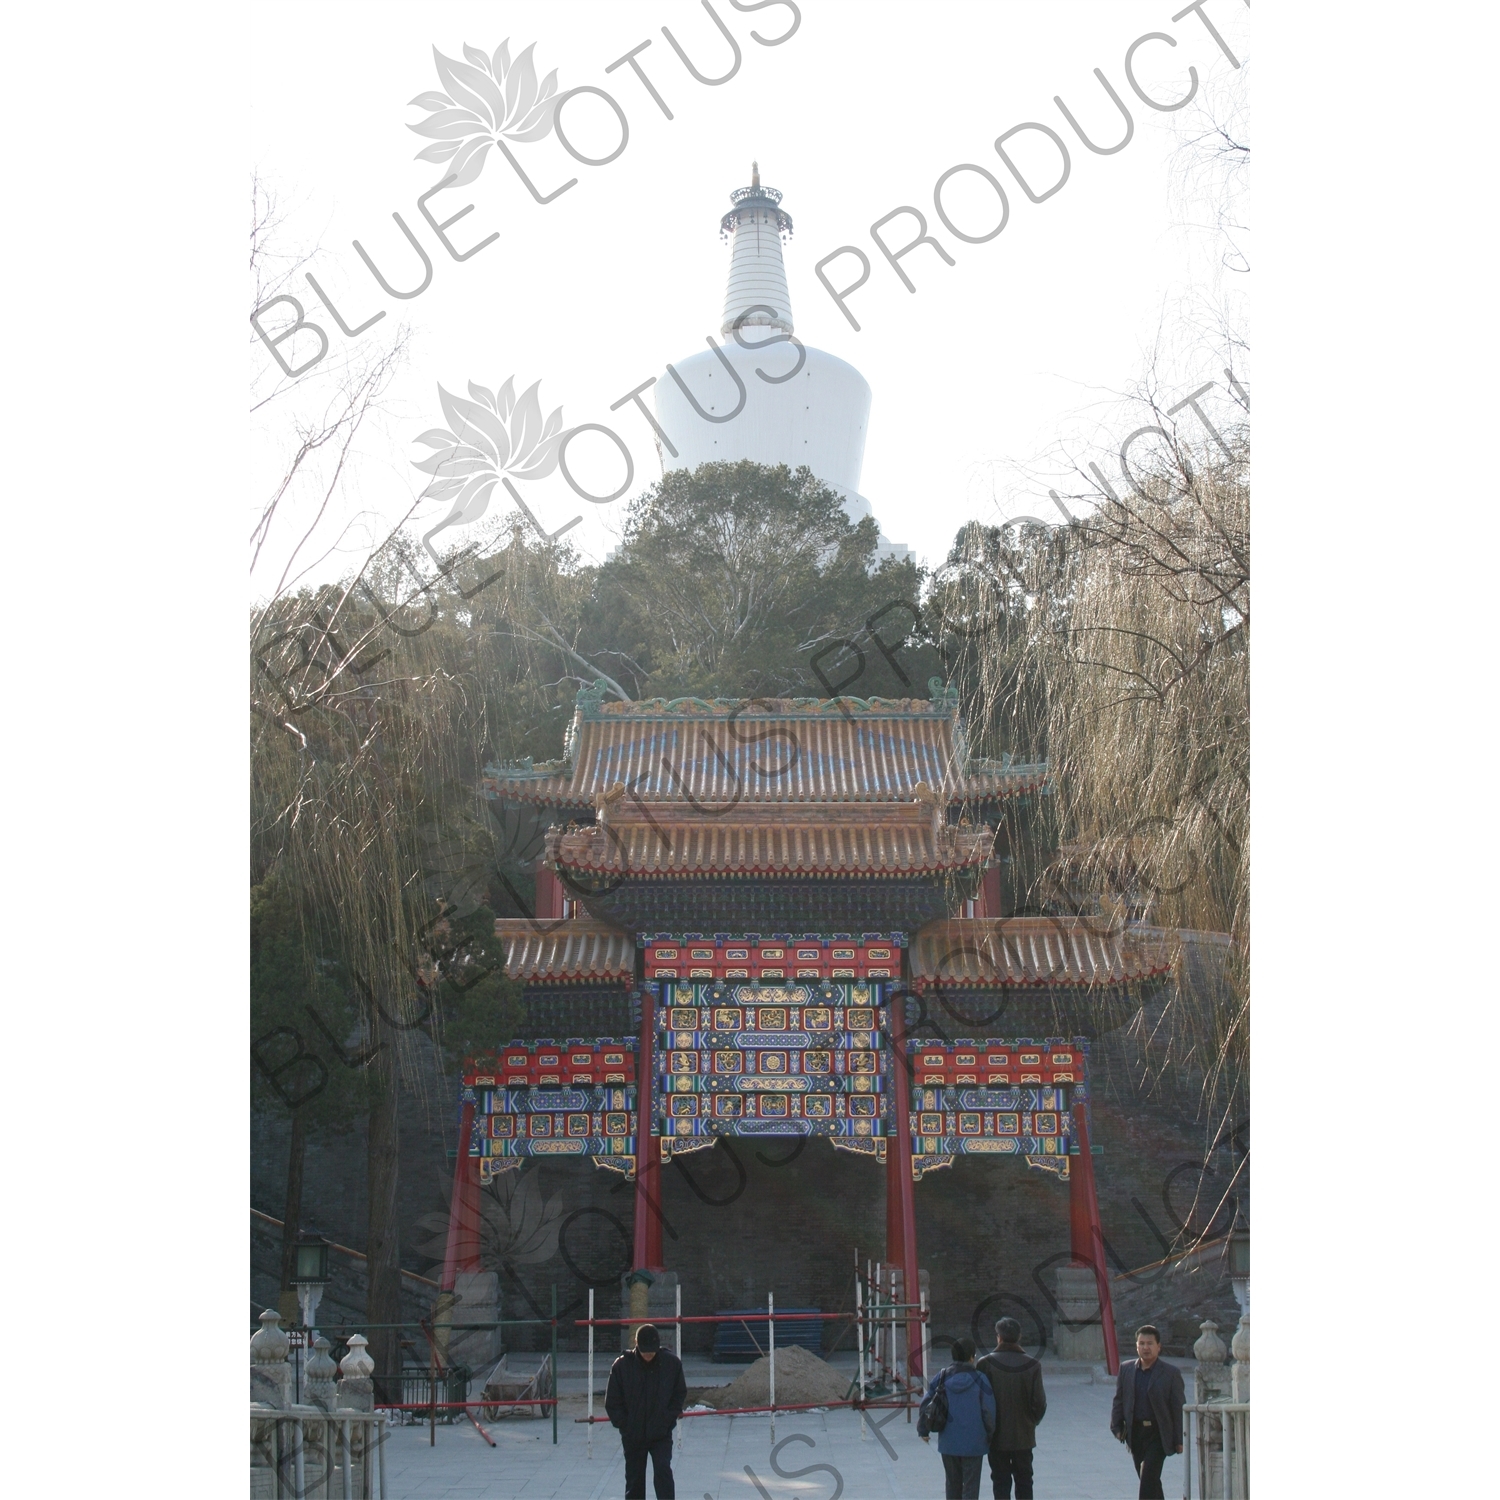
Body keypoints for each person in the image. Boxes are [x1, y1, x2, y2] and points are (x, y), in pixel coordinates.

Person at [604, 1323, 687, 1500]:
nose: (648, 1356)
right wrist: (625, 1425)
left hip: (660, 1434)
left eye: (652, 1351)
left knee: (663, 1471)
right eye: (645, 1352)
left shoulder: (671, 1364)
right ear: (636, 1345)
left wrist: (667, 1420)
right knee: (634, 1480)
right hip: (633, 1435)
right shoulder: (622, 1366)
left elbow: (679, 1394)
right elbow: (612, 1402)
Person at [1110, 1324, 1186, 1500]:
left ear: (1158, 1346)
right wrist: (1116, 1426)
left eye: (1150, 1343)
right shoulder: (1127, 1369)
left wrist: (1179, 1439)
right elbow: (1119, 1400)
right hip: (1136, 1434)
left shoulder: (1170, 1373)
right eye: (1142, 1343)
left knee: (1148, 1479)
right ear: (1136, 1346)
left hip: (1158, 1434)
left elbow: (1178, 1407)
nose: (1145, 1347)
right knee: (1151, 1482)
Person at [976, 1316, 1047, 1499]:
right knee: (1024, 1480)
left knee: (1000, 1481)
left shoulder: (985, 1364)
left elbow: (979, 1401)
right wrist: (1031, 1422)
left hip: (996, 1435)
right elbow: (1039, 1403)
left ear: (998, 1337)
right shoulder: (1032, 1364)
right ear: (1019, 1337)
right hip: (1024, 1435)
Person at [919, 1336, 997, 1500]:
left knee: (952, 1484)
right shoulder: (981, 1379)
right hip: (974, 1443)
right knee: (971, 1486)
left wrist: (923, 1430)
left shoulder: (941, 1377)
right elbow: (988, 1411)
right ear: (971, 1357)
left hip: (949, 1442)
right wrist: (991, 1435)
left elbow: (926, 1404)